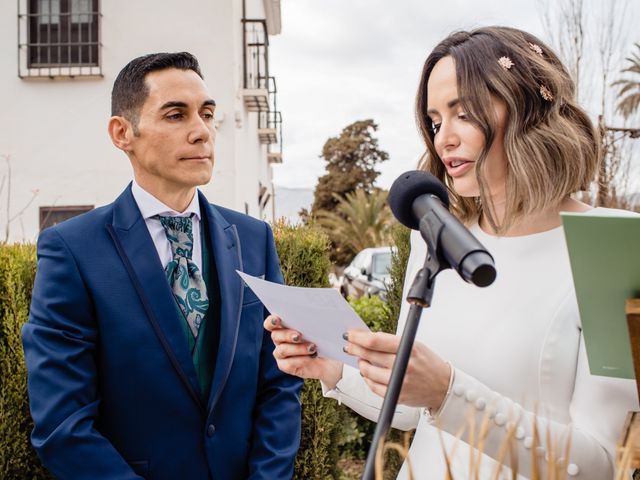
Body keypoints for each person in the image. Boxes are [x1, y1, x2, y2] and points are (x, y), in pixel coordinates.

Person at [264, 26, 639, 479]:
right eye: (436, 122)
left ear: (526, 108)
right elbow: (409, 412)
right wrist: (333, 370)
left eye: (463, 114)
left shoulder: (614, 247)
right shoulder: (432, 236)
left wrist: (448, 392)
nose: (443, 140)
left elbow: (601, 462)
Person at [22, 52, 302, 480]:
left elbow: (279, 384)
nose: (202, 132)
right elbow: (63, 424)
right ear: (122, 132)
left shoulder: (254, 239)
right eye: (176, 115)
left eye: (207, 114)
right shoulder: (71, 249)